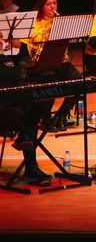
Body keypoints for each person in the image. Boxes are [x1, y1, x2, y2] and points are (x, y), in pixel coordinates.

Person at [0, 32, 52, 184]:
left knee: (37, 103)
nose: (2, 40)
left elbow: (25, 60)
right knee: (24, 118)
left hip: (14, 98)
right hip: (2, 101)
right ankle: (30, 167)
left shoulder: (6, 53)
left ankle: (23, 140)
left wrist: (16, 44)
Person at [26, 0, 81, 131]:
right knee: (51, 83)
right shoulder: (32, 23)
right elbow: (27, 49)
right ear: (41, 6)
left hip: (62, 61)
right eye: (48, 4)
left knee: (78, 81)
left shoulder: (61, 22)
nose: (52, 7)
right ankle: (45, 118)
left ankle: (61, 116)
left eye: (54, 3)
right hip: (41, 63)